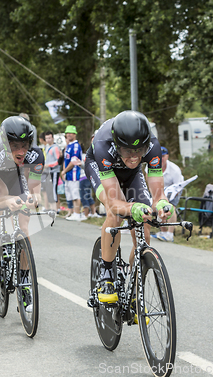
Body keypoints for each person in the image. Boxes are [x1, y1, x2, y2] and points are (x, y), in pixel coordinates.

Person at [85, 110, 173, 303]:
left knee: (144, 224)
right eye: (127, 151)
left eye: (139, 151)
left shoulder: (152, 145)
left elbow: (158, 195)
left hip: (131, 175)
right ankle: (106, 273)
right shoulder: (103, 145)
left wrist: (162, 205)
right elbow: (116, 203)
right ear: (117, 145)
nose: (134, 158)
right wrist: (130, 208)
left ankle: (135, 284)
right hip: (101, 168)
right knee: (115, 212)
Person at [0, 116, 44, 312]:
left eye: (24, 145)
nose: (21, 151)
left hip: (15, 175)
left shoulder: (36, 155)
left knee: (24, 223)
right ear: (5, 142)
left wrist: (34, 199)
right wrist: (6, 201)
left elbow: (34, 189)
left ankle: (25, 283)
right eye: (15, 146)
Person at [151, 146, 184, 242]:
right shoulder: (152, 165)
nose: (161, 158)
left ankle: (170, 234)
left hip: (175, 189)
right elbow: (149, 179)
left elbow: (178, 187)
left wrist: (168, 199)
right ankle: (163, 232)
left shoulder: (175, 170)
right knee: (158, 206)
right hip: (159, 189)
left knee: (170, 207)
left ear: (167, 156)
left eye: (163, 156)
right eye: (159, 156)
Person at [61, 125, 85, 221]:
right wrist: (64, 172)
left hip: (74, 174)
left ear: (75, 134)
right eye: (67, 133)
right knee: (70, 195)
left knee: (75, 195)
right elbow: (65, 160)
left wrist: (64, 171)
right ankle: (72, 212)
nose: (69, 134)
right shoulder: (68, 145)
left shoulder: (75, 145)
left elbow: (74, 161)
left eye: (71, 133)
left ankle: (77, 214)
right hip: (68, 175)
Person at [43, 131, 61, 213]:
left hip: (54, 171)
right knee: (48, 189)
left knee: (53, 189)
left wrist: (48, 165)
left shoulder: (55, 148)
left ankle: (55, 208)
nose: (48, 140)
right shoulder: (46, 147)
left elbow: (58, 161)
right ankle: (51, 207)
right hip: (47, 172)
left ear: (53, 138)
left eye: (49, 138)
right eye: (46, 138)